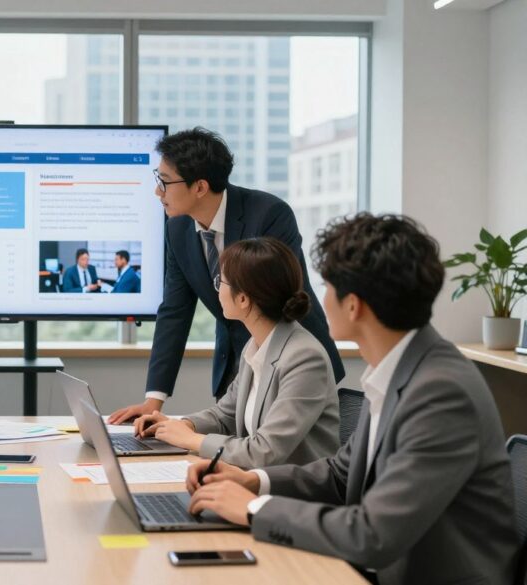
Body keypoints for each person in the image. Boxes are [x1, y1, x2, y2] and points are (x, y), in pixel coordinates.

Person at [184, 214, 519, 585]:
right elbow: (340, 475)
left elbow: (373, 534)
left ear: (354, 305)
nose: (317, 298)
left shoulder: (441, 393)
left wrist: (253, 508)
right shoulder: (402, 369)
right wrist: (253, 480)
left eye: (326, 286)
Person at [109, 127, 343, 423]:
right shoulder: (178, 228)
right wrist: (153, 402)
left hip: (292, 363)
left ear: (200, 187)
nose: (158, 192)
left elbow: (275, 298)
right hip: (236, 368)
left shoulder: (268, 213)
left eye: (164, 182)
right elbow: (175, 310)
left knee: (266, 459)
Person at [133, 238, 338, 468]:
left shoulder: (304, 359)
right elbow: (224, 415)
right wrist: (183, 425)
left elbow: (265, 451)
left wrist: (192, 440)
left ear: (242, 299)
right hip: (256, 482)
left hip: (293, 495)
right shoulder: (257, 346)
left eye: (222, 281)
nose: (217, 288)